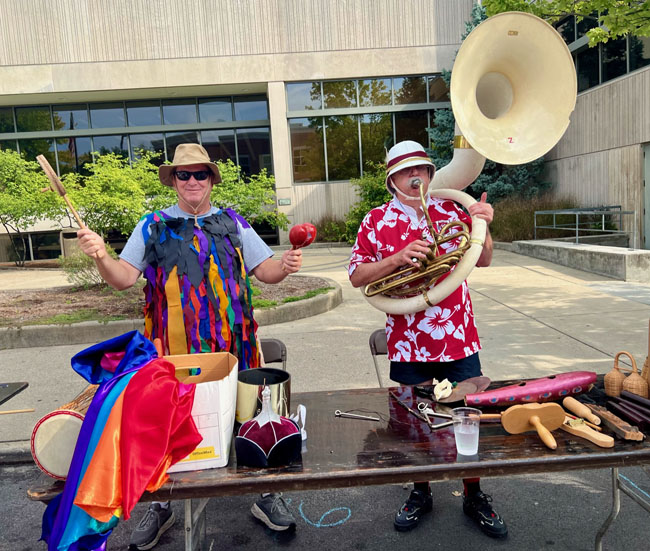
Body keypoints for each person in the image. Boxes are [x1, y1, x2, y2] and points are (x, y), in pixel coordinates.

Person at [77, 143, 301, 550]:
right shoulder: (151, 225)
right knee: (167, 421)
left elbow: (265, 270)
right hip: (174, 349)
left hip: (235, 344)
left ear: (211, 179)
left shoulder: (233, 222)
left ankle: (266, 493)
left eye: (200, 173)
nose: (192, 180)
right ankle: (161, 504)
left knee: (249, 414)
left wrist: (283, 267)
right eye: (184, 174)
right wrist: (101, 256)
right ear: (174, 181)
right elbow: (123, 278)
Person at [348, 140, 507, 539]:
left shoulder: (452, 210)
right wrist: (397, 258)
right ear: (392, 180)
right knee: (414, 421)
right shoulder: (375, 220)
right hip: (408, 340)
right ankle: (421, 491)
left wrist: (482, 224)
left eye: (422, 168)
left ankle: (474, 493)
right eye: (406, 171)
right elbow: (356, 275)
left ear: (431, 174)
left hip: (457, 336)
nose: (416, 176)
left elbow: (484, 259)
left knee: (466, 418)